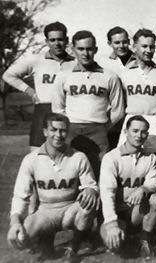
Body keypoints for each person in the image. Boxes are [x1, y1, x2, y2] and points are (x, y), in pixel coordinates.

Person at [7, 113, 98, 262]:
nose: (58, 135)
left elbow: (91, 184)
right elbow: (20, 195)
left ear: (67, 132)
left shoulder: (78, 157)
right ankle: (46, 241)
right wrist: (15, 221)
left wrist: (90, 189)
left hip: (69, 209)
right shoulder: (31, 159)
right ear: (44, 131)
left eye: (63, 130)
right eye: (53, 130)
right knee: (20, 239)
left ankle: (73, 248)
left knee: (89, 203)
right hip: (45, 211)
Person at [52, 30, 125, 177]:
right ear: (72, 50)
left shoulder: (109, 76)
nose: (85, 53)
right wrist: (67, 126)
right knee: (68, 171)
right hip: (71, 128)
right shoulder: (63, 75)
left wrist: (104, 127)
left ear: (95, 50)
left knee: (100, 171)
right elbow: (58, 108)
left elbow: (118, 109)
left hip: (98, 129)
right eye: (80, 49)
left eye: (89, 49)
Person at [2, 21, 75, 151]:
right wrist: (30, 91)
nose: (57, 43)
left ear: (67, 40)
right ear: (47, 41)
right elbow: (8, 75)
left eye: (60, 39)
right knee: (37, 155)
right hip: (43, 111)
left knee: (68, 157)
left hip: (68, 111)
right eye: (52, 40)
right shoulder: (37, 60)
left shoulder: (75, 62)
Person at [99, 115, 156, 258]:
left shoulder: (150, 157)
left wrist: (143, 189)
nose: (139, 135)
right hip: (116, 211)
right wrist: (112, 223)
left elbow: (155, 181)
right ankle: (124, 233)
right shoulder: (111, 158)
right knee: (115, 245)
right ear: (126, 132)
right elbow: (107, 193)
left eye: (143, 132)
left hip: (134, 210)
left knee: (155, 199)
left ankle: (144, 239)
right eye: (135, 131)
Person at [117, 28, 156, 149]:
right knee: (126, 160)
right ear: (134, 47)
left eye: (152, 47)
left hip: (155, 121)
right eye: (144, 46)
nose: (148, 51)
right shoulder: (125, 74)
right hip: (131, 120)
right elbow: (119, 105)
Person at [98, 26, 134, 150]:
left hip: (133, 114)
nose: (121, 45)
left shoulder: (139, 61)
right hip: (113, 117)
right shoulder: (103, 63)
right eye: (117, 42)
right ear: (110, 43)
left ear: (129, 42)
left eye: (124, 42)